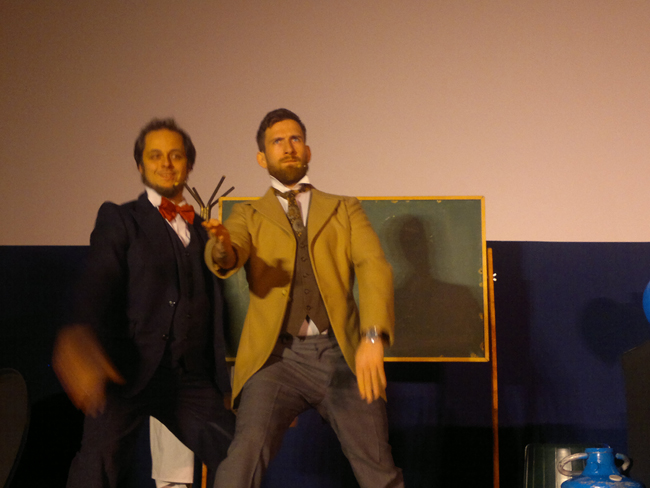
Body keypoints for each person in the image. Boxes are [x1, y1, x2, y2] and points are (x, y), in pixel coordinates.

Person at [203, 108, 404, 488]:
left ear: (308, 150)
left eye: (295, 139)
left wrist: (372, 337)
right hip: (276, 358)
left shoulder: (344, 208)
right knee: (243, 458)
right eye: (277, 141)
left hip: (341, 353)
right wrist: (223, 246)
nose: (288, 147)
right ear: (262, 157)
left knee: (379, 470)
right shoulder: (248, 214)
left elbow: (373, 266)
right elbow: (228, 255)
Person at [53, 118, 235, 488]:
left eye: (175, 155)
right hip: (126, 372)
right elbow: (98, 280)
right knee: (97, 467)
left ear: (188, 164)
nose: (166, 163)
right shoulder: (120, 218)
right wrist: (81, 334)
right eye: (155, 156)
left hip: (189, 379)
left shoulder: (206, 233)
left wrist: (231, 381)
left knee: (238, 454)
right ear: (140, 165)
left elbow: (218, 312)